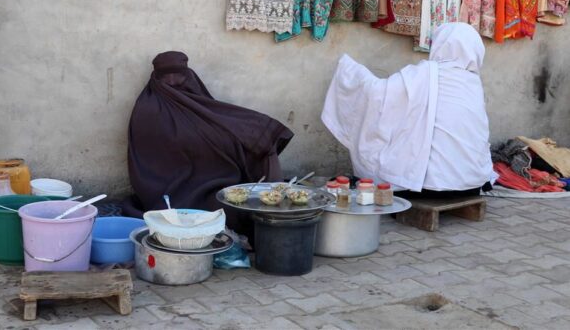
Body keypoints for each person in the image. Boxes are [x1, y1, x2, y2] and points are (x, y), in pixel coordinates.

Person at [123, 51, 293, 237]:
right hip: (168, 188)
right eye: (166, 76)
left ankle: (276, 204)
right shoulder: (147, 108)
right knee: (226, 211)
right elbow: (152, 155)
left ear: (187, 74)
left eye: (178, 74)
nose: (172, 81)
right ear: (156, 78)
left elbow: (215, 117)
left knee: (257, 139)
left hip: (213, 175)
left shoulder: (193, 94)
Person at [322, 22, 495, 197]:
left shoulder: (427, 72)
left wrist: (351, 72)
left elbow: (380, 95)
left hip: (426, 188)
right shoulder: (473, 82)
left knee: (393, 154)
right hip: (472, 185)